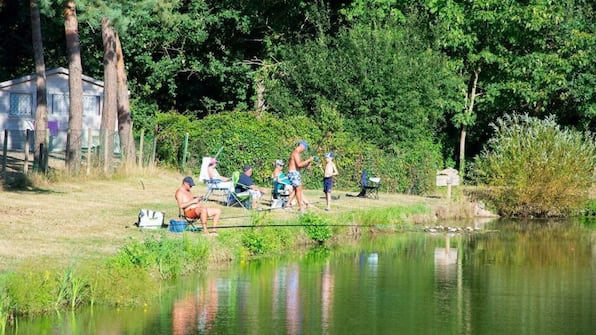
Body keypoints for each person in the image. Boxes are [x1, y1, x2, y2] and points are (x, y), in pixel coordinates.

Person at [287, 140, 315, 213]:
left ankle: (287, 205)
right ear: (302, 146)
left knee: (295, 190)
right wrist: (308, 160)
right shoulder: (296, 153)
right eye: (304, 148)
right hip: (294, 173)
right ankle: (301, 208)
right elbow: (299, 164)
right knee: (299, 190)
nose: (304, 150)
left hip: (294, 172)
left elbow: (300, 165)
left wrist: (308, 163)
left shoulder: (297, 153)